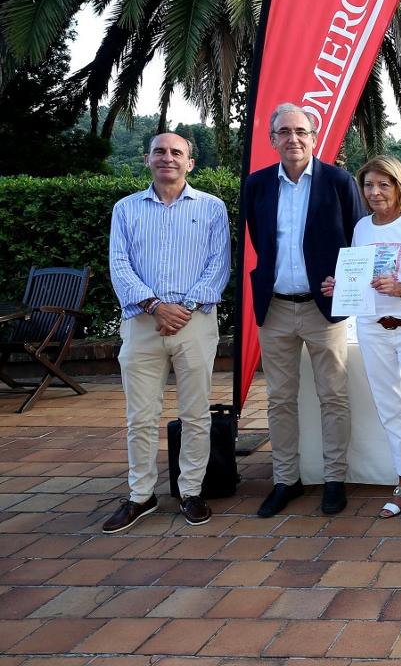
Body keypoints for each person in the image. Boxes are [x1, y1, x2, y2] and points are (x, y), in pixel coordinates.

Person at [243, 103, 366, 518]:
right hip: (275, 308)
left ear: (314, 137)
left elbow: (357, 243)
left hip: (323, 310)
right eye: (284, 132)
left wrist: (342, 284)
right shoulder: (257, 185)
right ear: (272, 139)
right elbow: (261, 240)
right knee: (279, 399)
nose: (292, 138)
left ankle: (334, 480)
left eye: (301, 131)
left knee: (333, 396)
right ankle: (285, 480)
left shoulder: (338, 181)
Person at [104, 133, 230, 533]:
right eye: (160, 151)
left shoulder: (212, 208)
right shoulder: (125, 210)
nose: (168, 158)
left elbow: (218, 264)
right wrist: (155, 306)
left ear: (190, 163)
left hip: (195, 323)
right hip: (143, 323)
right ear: (147, 159)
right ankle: (141, 495)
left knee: (196, 414)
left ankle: (191, 491)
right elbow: (119, 264)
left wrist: (184, 308)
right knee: (140, 416)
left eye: (177, 152)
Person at [321, 156, 401, 532]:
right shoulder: (361, 228)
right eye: (369, 186)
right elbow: (362, 283)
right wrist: (341, 288)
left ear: (398, 186)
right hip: (374, 328)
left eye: (383, 184)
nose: (375, 192)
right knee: (390, 409)